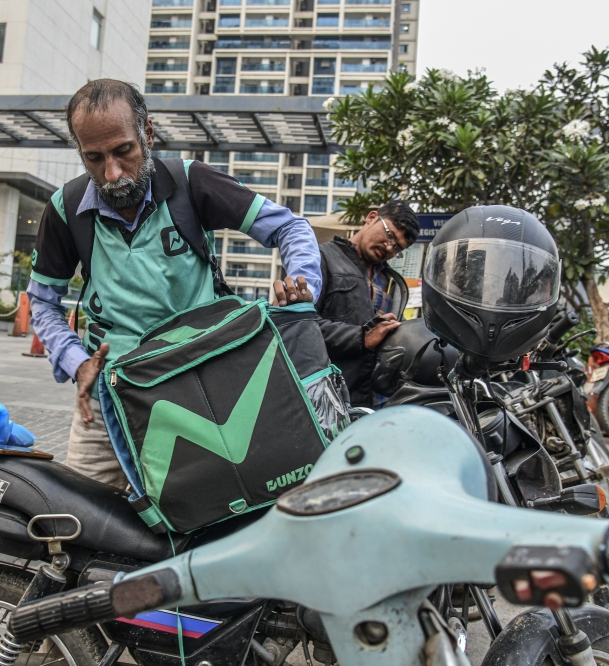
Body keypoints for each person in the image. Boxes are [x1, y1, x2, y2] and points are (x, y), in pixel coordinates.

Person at [27, 79, 321, 490]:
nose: (111, 173)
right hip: (107, 401)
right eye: (93, 158)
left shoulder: (191, 183)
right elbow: (42, 302)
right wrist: (78, 363)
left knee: (215, 512)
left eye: (123, 151)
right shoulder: (65, 209)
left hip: (202, 392)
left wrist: (302, 286)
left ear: (148, 133)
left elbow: (290, 228)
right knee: (83, 523)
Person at [316, 202, 419, 408]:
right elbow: (299, 326)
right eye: (390, 235)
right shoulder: (322, 257)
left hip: (377, 402)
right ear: (371, 218)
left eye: (398, 247)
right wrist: (361, 337)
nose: (390, 247)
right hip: (329, 399)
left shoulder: (391, 281)